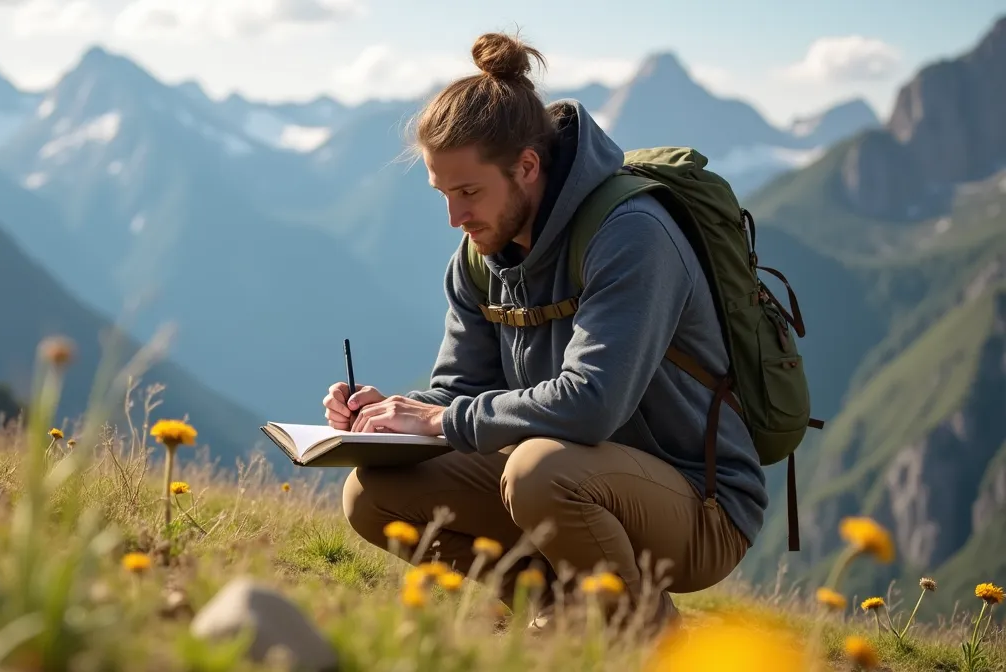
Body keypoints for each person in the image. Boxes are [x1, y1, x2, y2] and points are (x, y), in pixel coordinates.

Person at [322, 31, 764, 634]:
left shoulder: (632, 233)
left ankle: (650, 636)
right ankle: (557, 612)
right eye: (443, 194)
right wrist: (391, 416)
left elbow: (590, 404)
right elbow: (457, 392)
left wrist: (439, 421)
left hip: (699, 505)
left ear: (528, 167)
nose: (455, 217)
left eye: (469, 192)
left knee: (538, 470)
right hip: (571, 483)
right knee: (372, 494)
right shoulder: (480, 256)